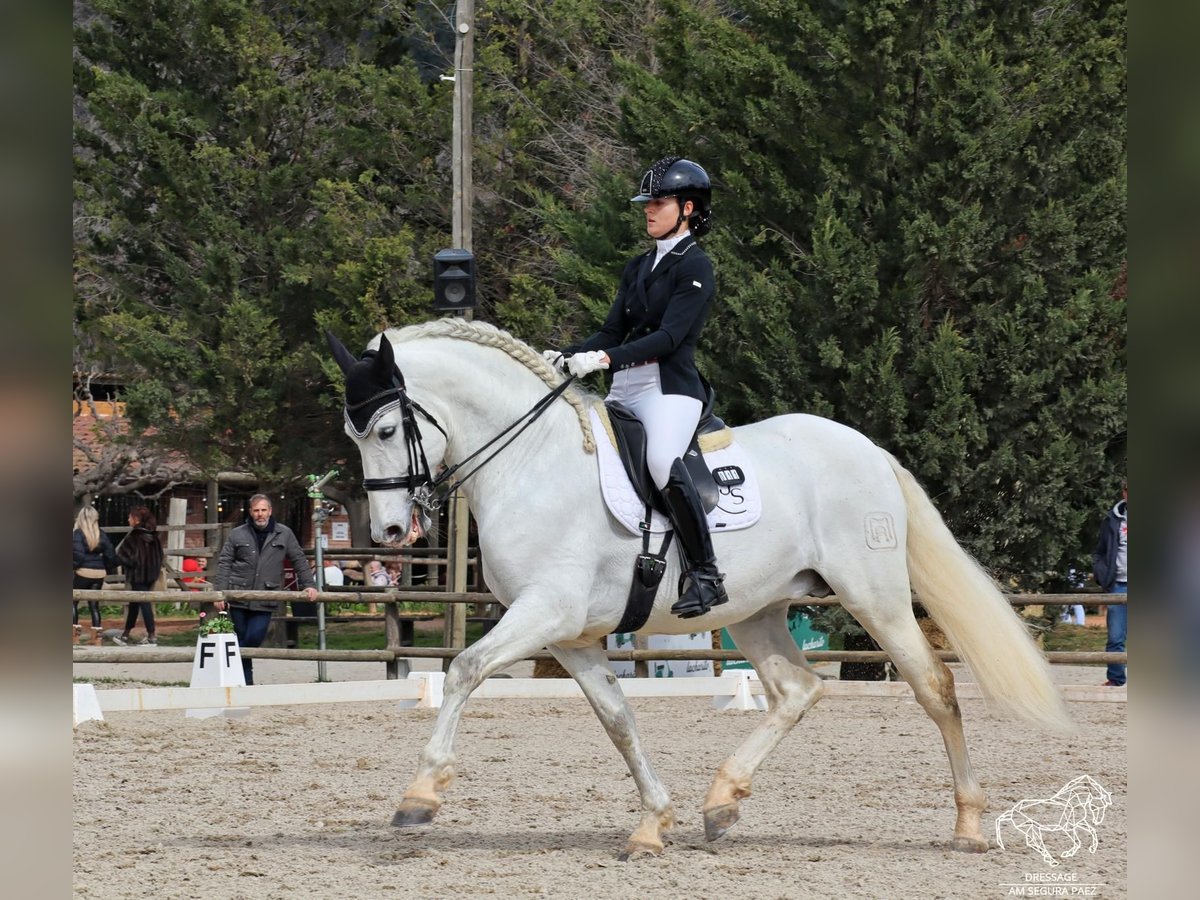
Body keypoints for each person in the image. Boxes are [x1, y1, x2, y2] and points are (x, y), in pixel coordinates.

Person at [544, 156, 726, 619]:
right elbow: (611, 332)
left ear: (686, 209)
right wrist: (566, 355)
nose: (648, 210)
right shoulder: (639, 266)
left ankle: (705, 574)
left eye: (658, 202)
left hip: (669, 390)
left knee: (662, 460)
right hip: (625, 388)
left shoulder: (695, 267)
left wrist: (603, 360)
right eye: (647, 202)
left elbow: (668, 338)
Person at [211, 494, 318, 684]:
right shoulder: (238, 533)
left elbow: (299, 560)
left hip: (266, 596)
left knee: (253, 638)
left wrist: (308, 584)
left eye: (263, 510)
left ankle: (231, 666)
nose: (260, 514)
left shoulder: (284, 533)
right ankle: (245, 682)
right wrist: (220, 592)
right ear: (251, 512)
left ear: (270, 511)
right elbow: (225, 562)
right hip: (238, 594)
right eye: (256, 510)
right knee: (241, 636)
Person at [1091, 480, 1128, 686]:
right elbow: (1100, 550)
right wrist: (1101, 572)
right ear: (1124, 492)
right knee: (1115, 637)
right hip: (1119, 585)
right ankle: (1116, 679)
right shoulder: (1113, 519)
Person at [114, 506, 164, 645]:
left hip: (138, 575)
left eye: (130, 517)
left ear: (136, 520)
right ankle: (126, 634)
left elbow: (128, 558)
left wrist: (113, 559)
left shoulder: (134, 537)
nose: (128, 519)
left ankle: (151, 635)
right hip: (150, 575)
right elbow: (160, 556)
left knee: (143, 603)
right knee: (135, 603)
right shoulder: (154, 537)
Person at [73, 505, 116, 632]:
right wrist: (106, 568)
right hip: (99, 574)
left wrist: (73, 566)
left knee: (72, 602)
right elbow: (111, 555)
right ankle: (97, 636)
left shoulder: (78, 534)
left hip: (83, 572)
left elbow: (78, 555)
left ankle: (74, 634)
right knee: (94, 605)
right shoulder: (101, 534)